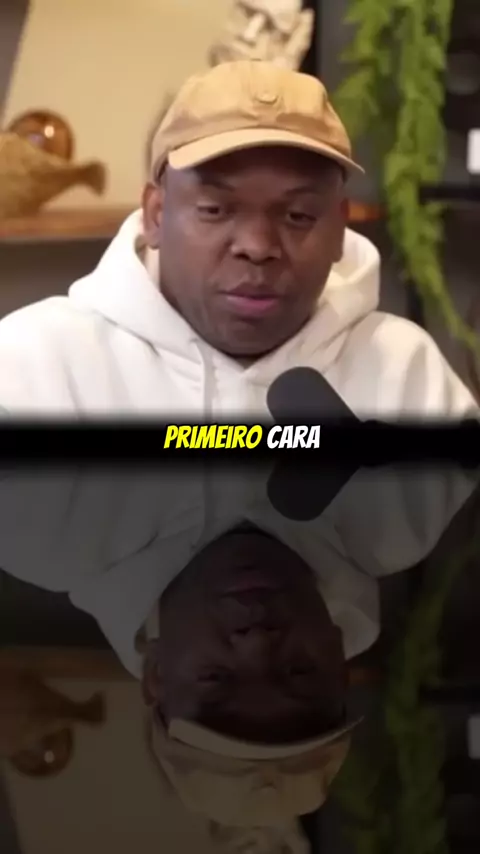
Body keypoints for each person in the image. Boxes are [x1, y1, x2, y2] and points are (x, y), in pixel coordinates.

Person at [0, 60, 475, 416]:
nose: (257, 246)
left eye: (298, 215)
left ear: (338, 227)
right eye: (215, 210)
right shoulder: (36, 368)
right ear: (155, 215)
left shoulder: (407, 378)